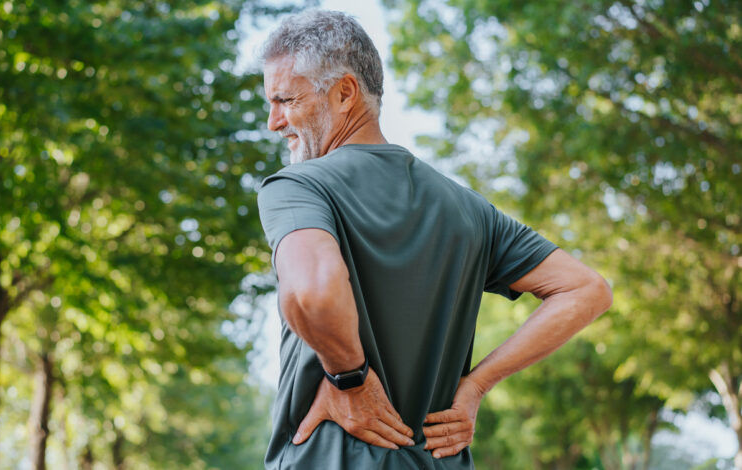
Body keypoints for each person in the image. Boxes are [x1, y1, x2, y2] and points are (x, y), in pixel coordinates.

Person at [256, 10, 612, 470]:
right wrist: (476, 386)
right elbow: (587, 289)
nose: (273, 121)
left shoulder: (299, 188)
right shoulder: (470, 210)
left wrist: (351, 381)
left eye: (285, 99)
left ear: (345, 92)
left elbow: (312, 292)